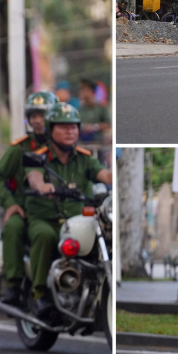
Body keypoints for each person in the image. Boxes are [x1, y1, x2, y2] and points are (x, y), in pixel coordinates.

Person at [24, 103, 112, 318]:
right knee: (45, 236)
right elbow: (34, 176)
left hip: (76, 220)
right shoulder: (38, 155)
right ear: (50, 129)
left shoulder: (84, 158)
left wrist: (117, 171)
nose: (70, 131)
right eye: (63, 127)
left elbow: (105, 176)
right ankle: (39, 294)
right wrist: (42, 185)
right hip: (45, 219)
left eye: (74, 127)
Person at [0, 91, 58, 307]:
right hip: (24, 209)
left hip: (55, 211)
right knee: (13, 227)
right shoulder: (19, 148)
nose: (37, 120)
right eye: (33, 116)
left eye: (42, 115)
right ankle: (14, 285)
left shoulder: (62, 147)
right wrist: (10, 204)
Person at [78, 79, 111, 143]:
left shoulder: (101, 107)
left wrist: (94, 127)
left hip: (97, 143)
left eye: (84, 90)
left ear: (91, 91)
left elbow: (109, 124)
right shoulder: (81, 108)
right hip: (82, 142)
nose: (81, 92)